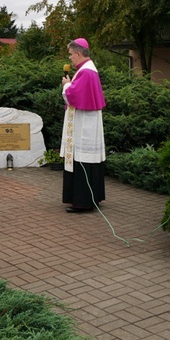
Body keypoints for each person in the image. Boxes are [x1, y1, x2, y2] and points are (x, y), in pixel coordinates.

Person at [61, 38, 106, 213]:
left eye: (71, 54)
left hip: (85, 125)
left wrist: (66, 85)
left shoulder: (86, 72)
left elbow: (73, 95)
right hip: (87, 121)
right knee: (87, 158)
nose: (70, 58)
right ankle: (91, 198)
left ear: (79, 53)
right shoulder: (87, 70)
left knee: (83, 157)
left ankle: (83, 201)